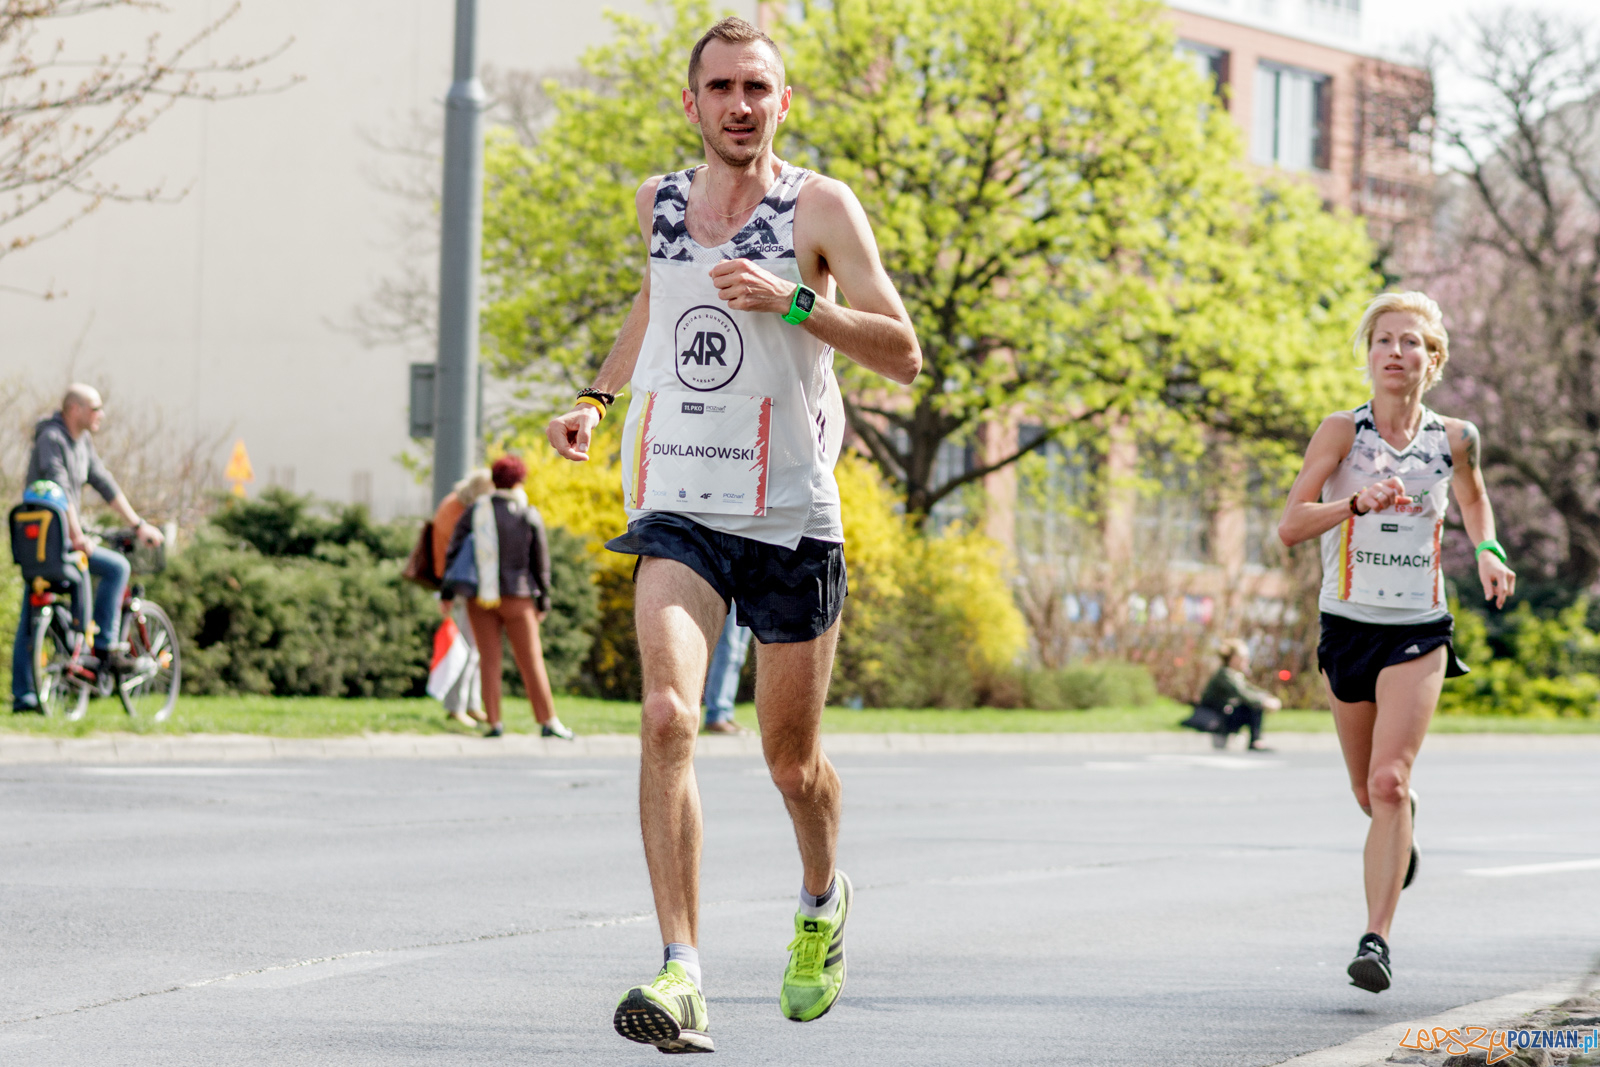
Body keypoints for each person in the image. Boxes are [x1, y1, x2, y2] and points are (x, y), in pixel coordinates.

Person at [546, 17, 921, 1053]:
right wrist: (597, 395)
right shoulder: (659, 205)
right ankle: (683, 971)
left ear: (781, 102)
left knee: (790, 765)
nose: (740, 104)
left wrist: (798, 300)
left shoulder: (820, 206)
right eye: (721, 87)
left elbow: (902, 353)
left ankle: (818, 896)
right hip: (679, 499)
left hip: (793, 515)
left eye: (758, 86)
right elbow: (656, 303)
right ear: (692, 103)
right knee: (667, 711)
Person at [1277, 291, 1515, 995]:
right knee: (1365, 789)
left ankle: (1376, 939)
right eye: (1383, 340)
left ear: (1431, 358)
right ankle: (1399, 826)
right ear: (1369, 352)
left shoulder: (1454, 438)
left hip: (1419, 628)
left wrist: (1491, 548)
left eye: (1411, 342)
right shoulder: (1341, 433)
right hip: (1348, 625)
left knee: (1390, 779)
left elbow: (1471, 497)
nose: (1395, 352)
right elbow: (1291, 524)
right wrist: (1354, 502)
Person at [12, 385, 164, 712]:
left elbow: (104, 482)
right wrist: (78, 534)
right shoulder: (52, 439)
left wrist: (138, 524)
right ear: (75, 409)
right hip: (54, 540)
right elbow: (60, 487)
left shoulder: (82, 443)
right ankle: (106, 646)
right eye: (95, 408)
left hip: (50, 542)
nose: (101, 414)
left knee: (31, 617)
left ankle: (25, 697)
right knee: (118, 567)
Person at [441, 455, 575, 742]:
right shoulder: (527, 512)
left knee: (489, 660)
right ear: (519, 481)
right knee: (531, 660)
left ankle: (494, 723)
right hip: (519, 597)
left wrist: (447, 592)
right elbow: (540, 562)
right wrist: (544, 600)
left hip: (481, 598)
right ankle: (548, 721)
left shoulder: (476, 510)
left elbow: (454, 550)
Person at [431, 469, 492, 727]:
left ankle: (471, 704)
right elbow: (457, 552)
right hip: (463, 584)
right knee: (468, 647)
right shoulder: (462, 512)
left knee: (474, 647)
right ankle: (456, 706)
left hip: (455, 583)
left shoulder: (451, 504)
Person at [1196, 639, 1282, 751]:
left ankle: (1256, 740)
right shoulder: (1225, 675)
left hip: (1225, 715)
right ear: (1233, 658)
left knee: (1255, 706)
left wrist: (1267, 698)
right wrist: (1264, 702)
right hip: (1216, 718)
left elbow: (1251, 690)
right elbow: (1243, 693)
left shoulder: (1235, 675)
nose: (1246, 660)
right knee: (1254, 706)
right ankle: (1255, 741)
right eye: (1243, 657)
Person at [701, 613, 751, 734]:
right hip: (732, 598)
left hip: (750, 597)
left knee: (739, 654)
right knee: (727, 652)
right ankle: (716, 716)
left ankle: (726, 715)